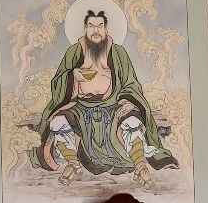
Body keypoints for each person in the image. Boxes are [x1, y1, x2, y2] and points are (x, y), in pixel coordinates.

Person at [28, 10, 175, 191]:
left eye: (100, 26)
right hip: (80, 107)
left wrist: (129, 101)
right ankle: (73, 164)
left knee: (132, 120)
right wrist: (73, 76)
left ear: (106, 29)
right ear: (85, 28)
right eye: (91, 26)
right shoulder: (74, 51)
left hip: (112, 106)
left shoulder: (118, 53)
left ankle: (140, 167)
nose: (96, 30)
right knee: (57, 122)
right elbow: (58, 81)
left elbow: (130, 83)